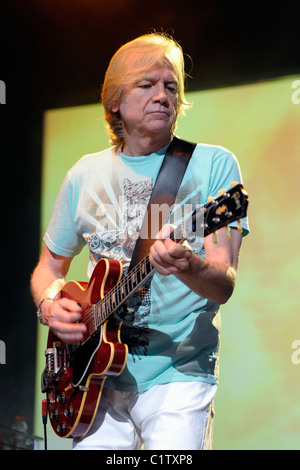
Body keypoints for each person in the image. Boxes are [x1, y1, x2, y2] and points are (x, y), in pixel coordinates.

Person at [31, 32, 249, 450]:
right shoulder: (83, 173)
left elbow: (224, 284)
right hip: (94, 379)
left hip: (179, 373)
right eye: (147, 85)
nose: (162, 96)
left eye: (171, 87)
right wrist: (48, 306)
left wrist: (191, 265)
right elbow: (49, 268)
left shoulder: (214, 165)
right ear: (115, 100)